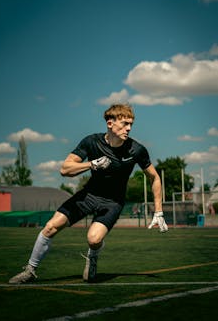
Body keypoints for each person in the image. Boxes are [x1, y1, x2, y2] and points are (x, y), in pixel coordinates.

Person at [9, 104, 168, 284]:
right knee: (50, 227)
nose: (129, 128)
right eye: (124, 124)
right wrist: (91, 164)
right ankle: (29, 271)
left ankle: (93, 257)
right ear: (110, 123)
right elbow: (65, 169)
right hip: (88, 196)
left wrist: (158, 211)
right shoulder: (91, 142)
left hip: (113, 202)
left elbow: (155, 178)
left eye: (131, 124)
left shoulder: (137, 150)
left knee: (93, 239)